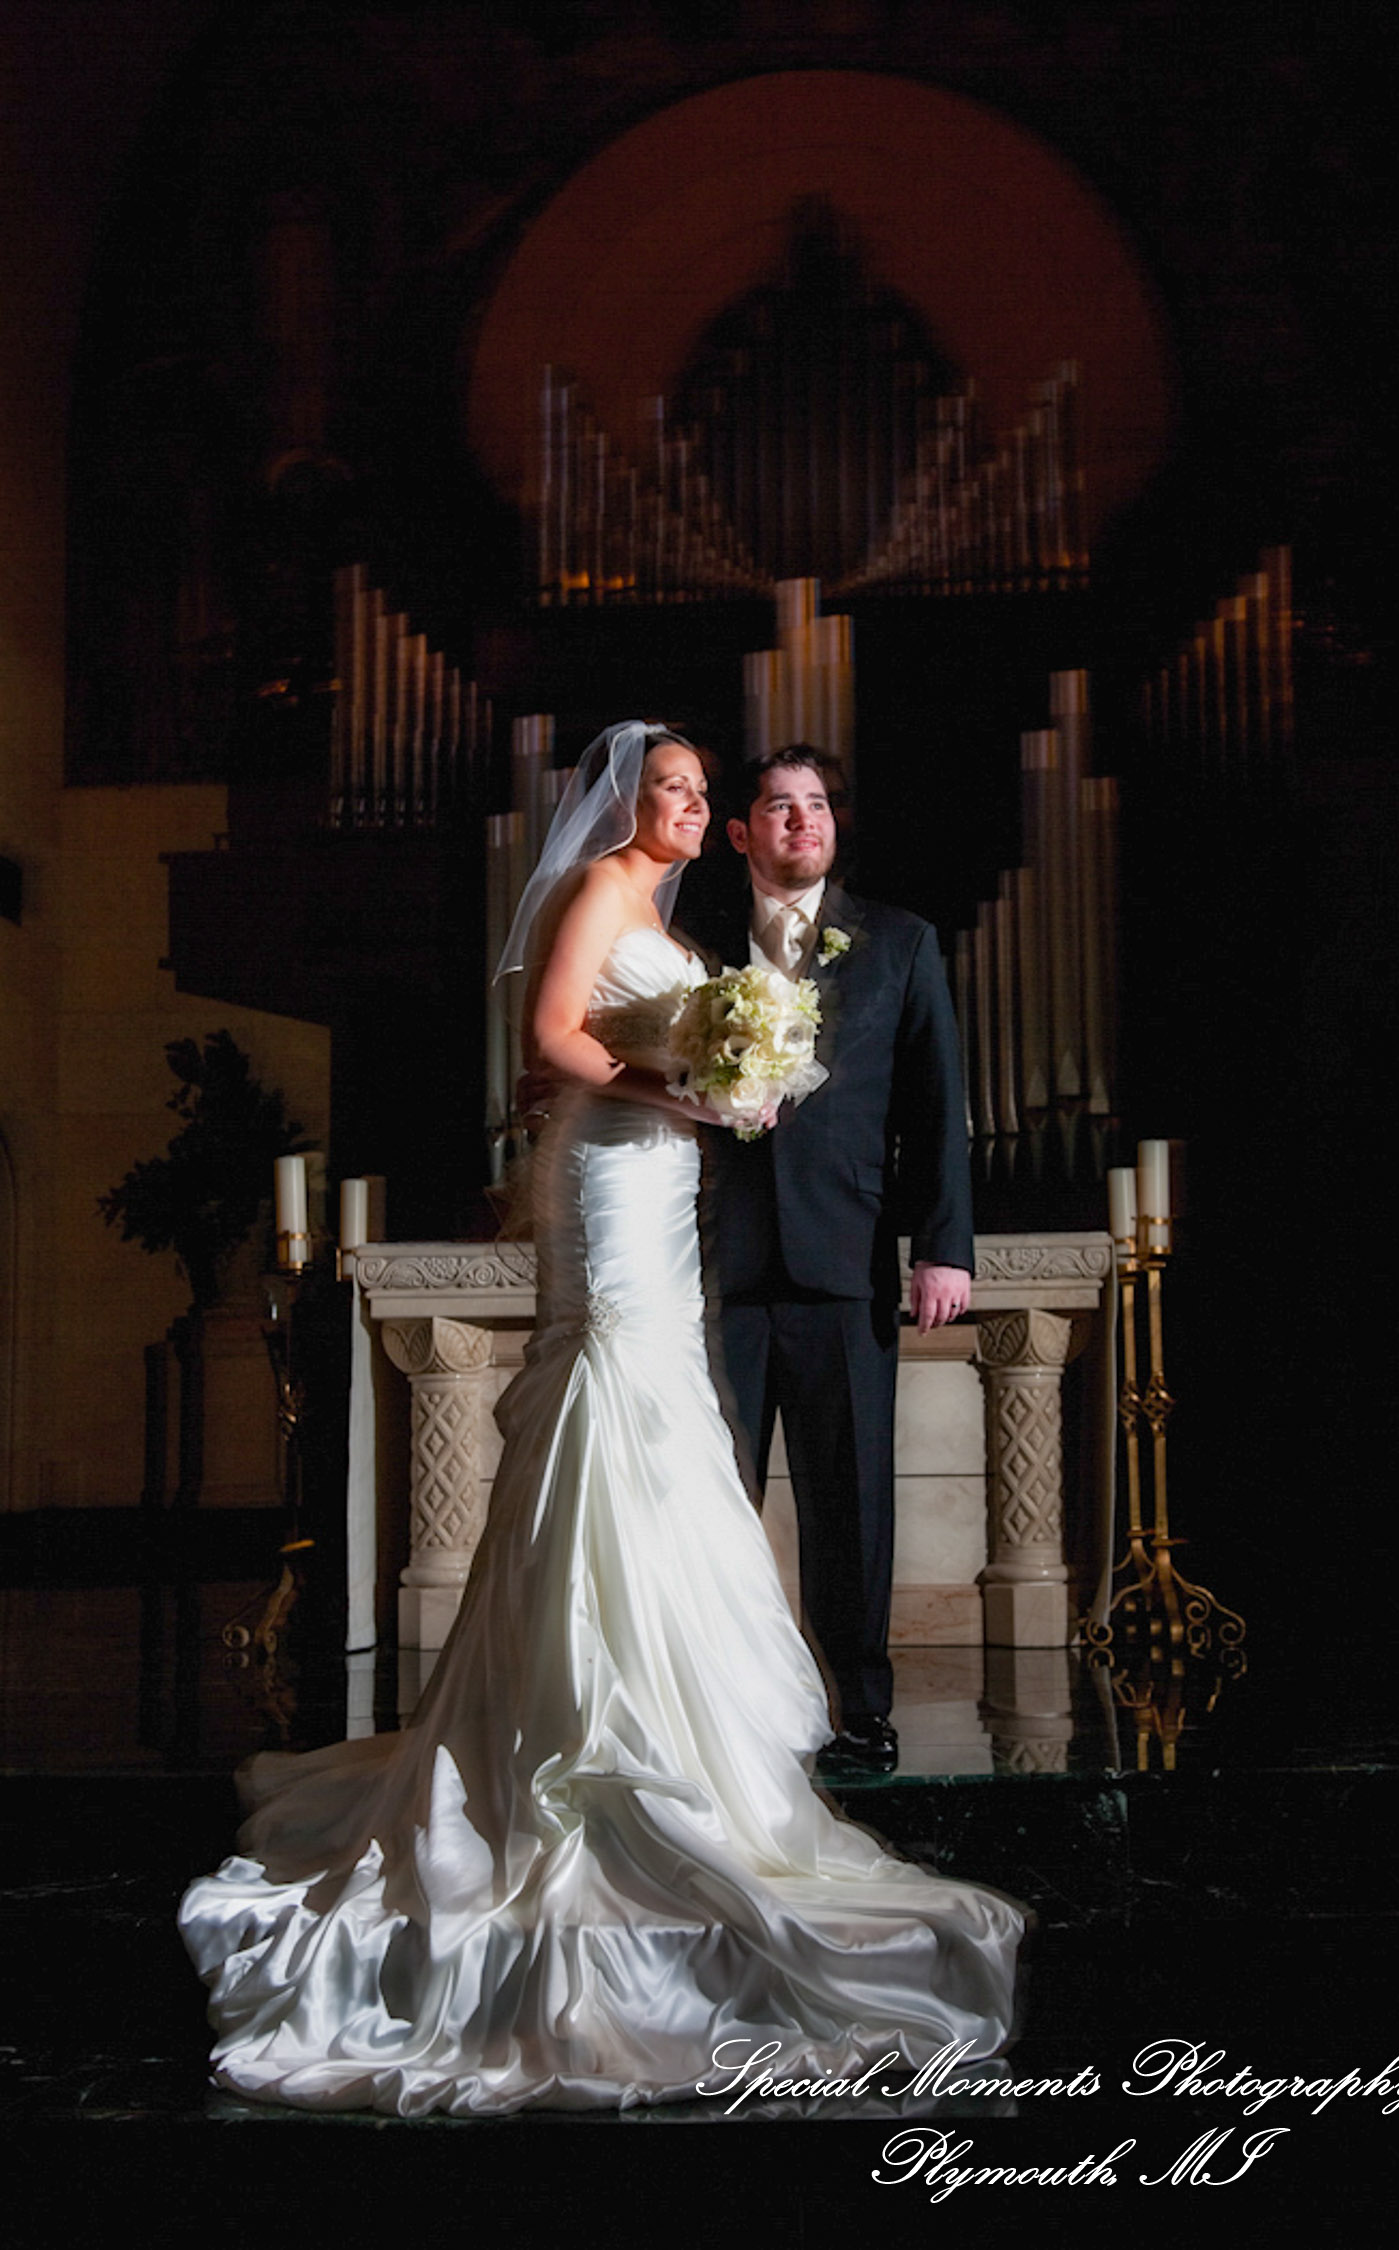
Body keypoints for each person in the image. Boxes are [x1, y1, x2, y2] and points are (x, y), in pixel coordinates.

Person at [178, 721, 1023, 2117]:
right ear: (636, 799)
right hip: (628, 1196)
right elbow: (557, 1031)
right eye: (678, 788)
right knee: (614, 1402)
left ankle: (670, 1717)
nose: (692, 807)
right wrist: (673, 1088)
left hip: (677, 1201)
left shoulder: (704, 914)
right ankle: (585, 1719)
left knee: (665, 1433)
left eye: (706, 790)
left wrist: (651, 1085)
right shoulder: (607, 894)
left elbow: (607, 1046)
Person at [679, 746, 973, 1774]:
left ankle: (862, 1714)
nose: (803, 823)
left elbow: (937, 1107)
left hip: (846, 1261)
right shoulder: (689, 944)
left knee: (852, 1502)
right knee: (708, 1501)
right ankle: (710, 1708)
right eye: (779, 807)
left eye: (817, 807)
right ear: (740, 832)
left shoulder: (898, 941)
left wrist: (943, 1249)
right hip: (712, 1266)